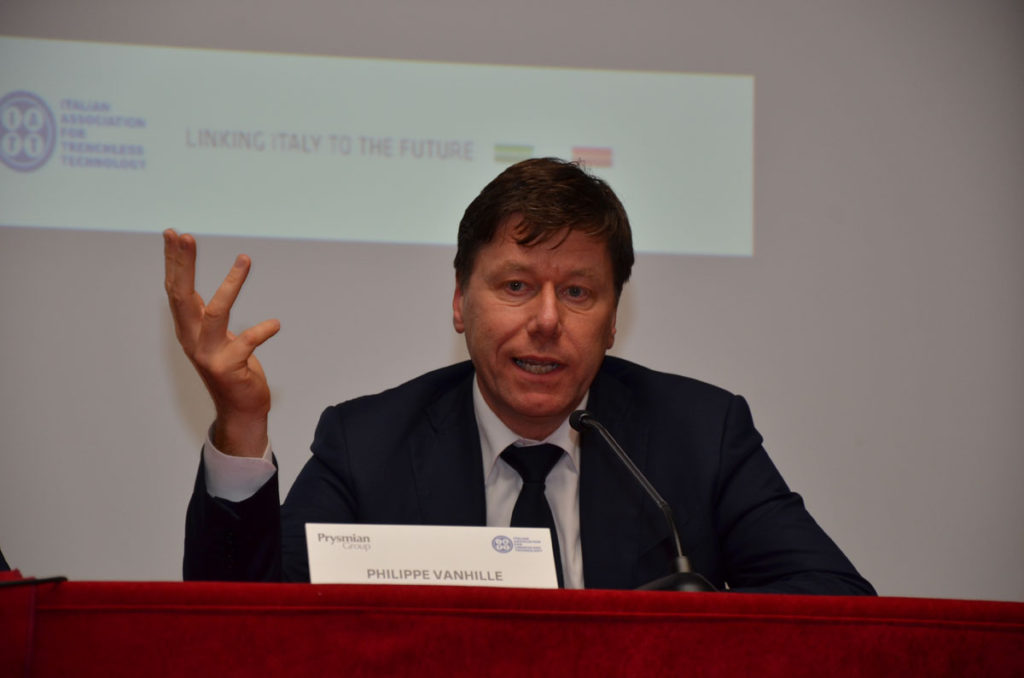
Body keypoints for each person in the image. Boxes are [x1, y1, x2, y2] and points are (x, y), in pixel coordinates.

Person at [165, 157, 874, 594]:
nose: (546, 320)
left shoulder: (699, 435)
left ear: (613, 319)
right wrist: (241, 425)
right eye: (515, 286)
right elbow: (245, 625)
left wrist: (670, 641)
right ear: (458, 301)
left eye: (578, 292)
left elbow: (836, 603)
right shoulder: (369, 443)